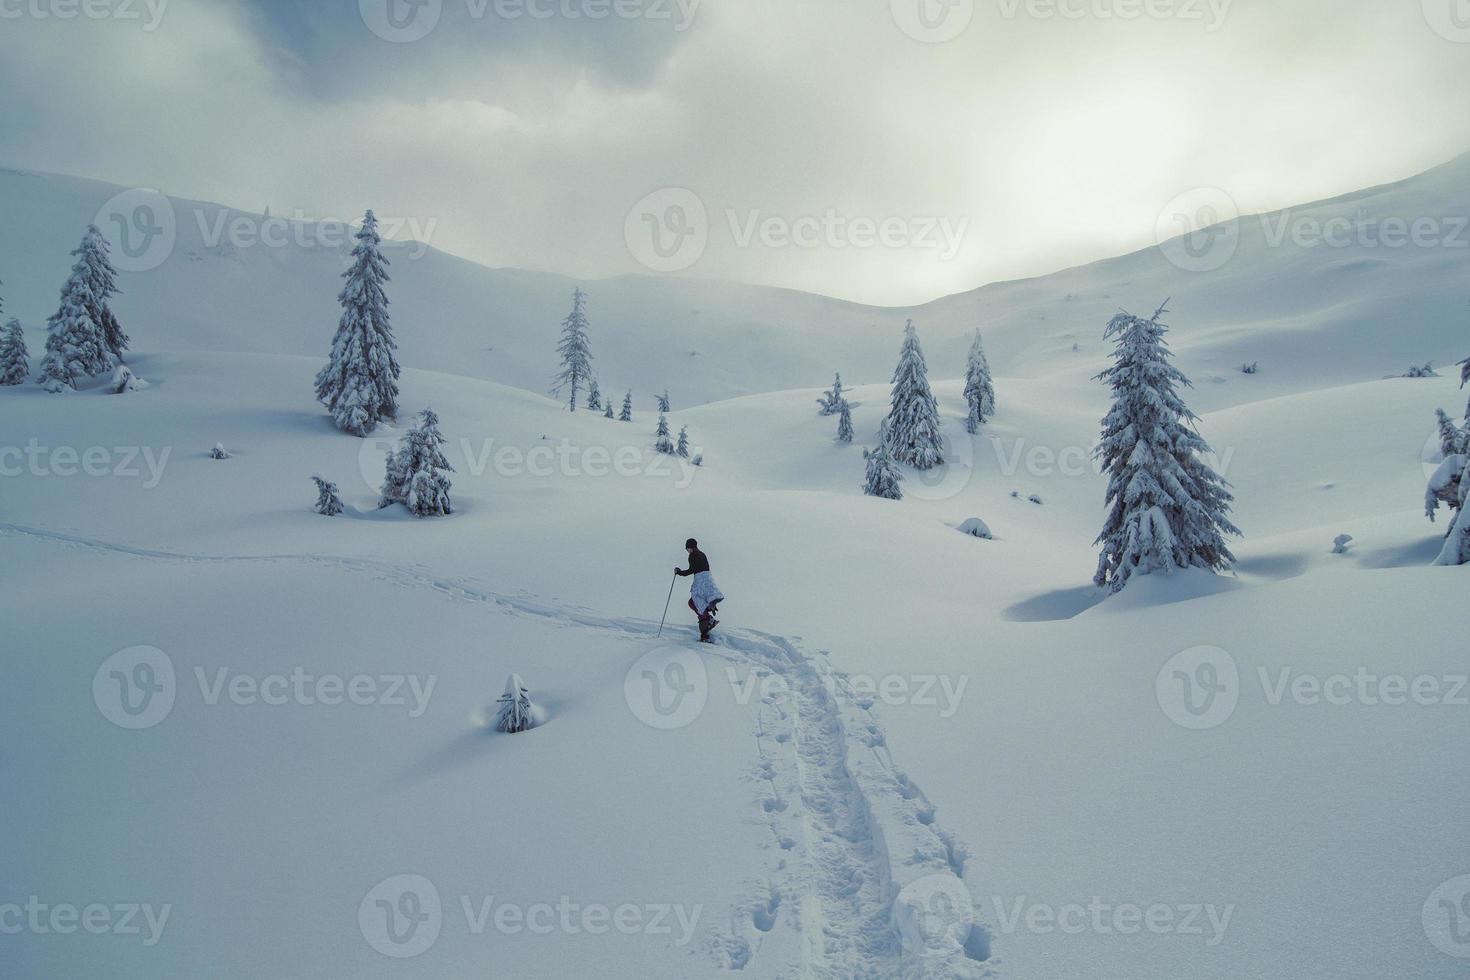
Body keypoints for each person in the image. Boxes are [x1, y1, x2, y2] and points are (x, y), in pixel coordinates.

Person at [675, 538, 725, 643]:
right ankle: (708, 620)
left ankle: (706, 628)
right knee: (699, 603)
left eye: (687, 548)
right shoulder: (702, 554)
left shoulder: (692, 555)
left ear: (690, 547)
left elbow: (691, 570)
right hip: (708, 580)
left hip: (700, 581)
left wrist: (679, 572)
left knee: (694, 602)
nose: (687, 551)